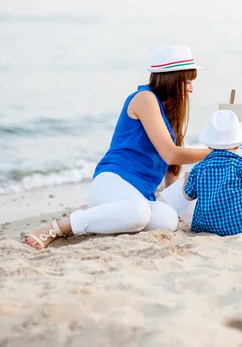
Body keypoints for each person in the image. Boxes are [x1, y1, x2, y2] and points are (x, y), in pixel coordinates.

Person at [25, 45, 210, 249]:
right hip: (113, 182)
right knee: (138, 213)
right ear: (172, 79)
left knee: (168, 220)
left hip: (138, 197)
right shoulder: (144, 99)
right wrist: (214, 152)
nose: (191, 89)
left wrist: (182, 212)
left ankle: (113, 219)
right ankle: (58, 227)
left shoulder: (168, 114)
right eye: (188, 81)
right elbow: (171, 155)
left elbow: (171, 169)